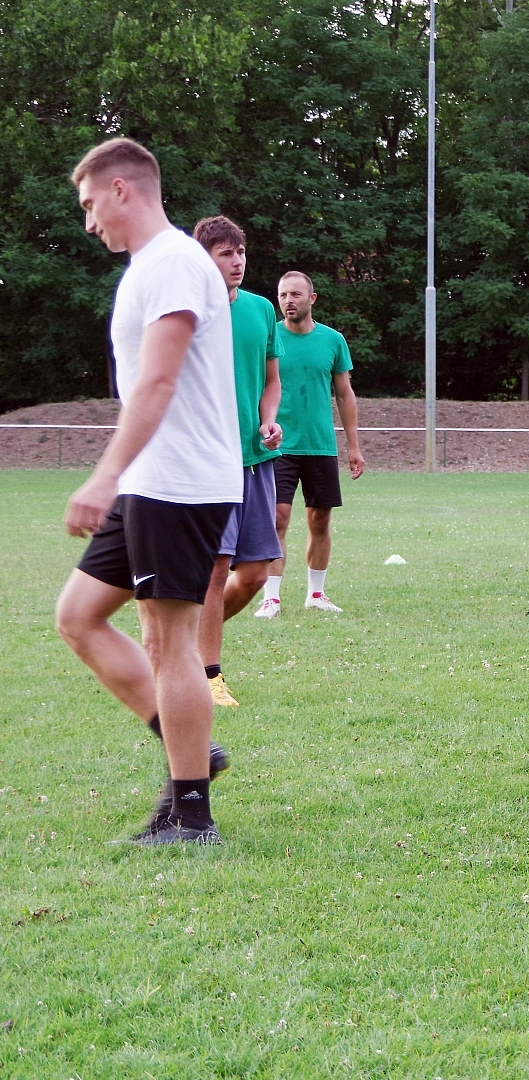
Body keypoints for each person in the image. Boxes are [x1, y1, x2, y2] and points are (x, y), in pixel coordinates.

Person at [53, 138, 239, 844]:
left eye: (90, 204)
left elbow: (159, 381)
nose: (89, 220)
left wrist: (104, 475)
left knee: (168, 642)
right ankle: (189, 747)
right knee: (79, 616)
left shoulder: (172, 263)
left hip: (178, 482)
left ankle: (192, 817)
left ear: (122, 188)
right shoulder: (149, 267)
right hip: (149, 481)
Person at [194, 215, 282, 706]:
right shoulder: (189, 310)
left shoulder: (261, 309)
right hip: (209, 459)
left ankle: (183, 644)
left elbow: (271, 380)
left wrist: (268, 420)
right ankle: (209, 673)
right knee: (216, 567)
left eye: (241, 252)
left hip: (255, 460)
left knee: (254, 575)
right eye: (225, 253)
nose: (237, 261)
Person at [254, 271, 364, 617]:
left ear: (311, 299)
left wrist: (354, 446)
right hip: (278, 446)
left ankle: (316, 594)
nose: (288, 301)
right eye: (283, 295)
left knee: (319, 521)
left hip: (320, 445)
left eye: (296, 294)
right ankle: (271, 598)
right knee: (277, 518)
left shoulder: (333, 340)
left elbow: (344, 394)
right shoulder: (268, 338)